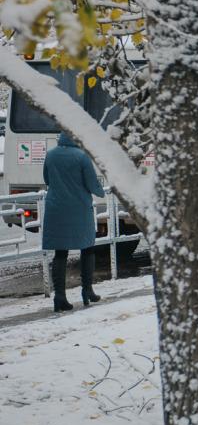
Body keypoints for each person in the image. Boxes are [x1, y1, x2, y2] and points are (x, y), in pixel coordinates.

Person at [42, 132, 106, 312]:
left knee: (60, 252)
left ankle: (60, 297)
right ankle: (87, 290)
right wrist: (102, 192)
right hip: (79, 208)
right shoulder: (82, 156)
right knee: (87, 248)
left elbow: (47, 179)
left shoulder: (51, 155)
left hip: (56, 209)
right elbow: (92, 184)